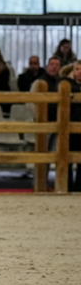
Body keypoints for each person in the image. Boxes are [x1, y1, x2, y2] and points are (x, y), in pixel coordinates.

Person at [60, 61, 81, 192]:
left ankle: (79, 187)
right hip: (68, 128)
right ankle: (66, 187)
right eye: (77, 69)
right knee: (66, 159)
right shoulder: (65, 84)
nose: (79, 72)